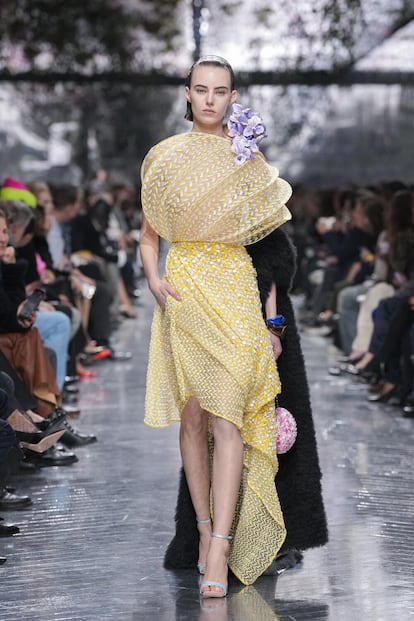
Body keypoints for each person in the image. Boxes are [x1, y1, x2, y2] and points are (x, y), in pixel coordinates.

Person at [139, 55, 292, 596]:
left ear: (233, 97)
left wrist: (272, 321)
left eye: (219, 90)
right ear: (187, 93)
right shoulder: (163, 156)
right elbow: (149, 235)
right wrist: (153, 280)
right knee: (193, 419)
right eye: (200, 89)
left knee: (228, 419)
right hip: (184, 292)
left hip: (234, 289)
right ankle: (204, 532)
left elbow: (270, 252)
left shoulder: (247, 158)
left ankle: (221, 547)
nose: (209, 99)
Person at [164, 227, 328, 574]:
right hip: (217, 316)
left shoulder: (247, 208)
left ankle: (254, 542)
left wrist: (273, 325)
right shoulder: (217, 209)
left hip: (255, 322)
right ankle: (223, 540)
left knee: (255, 430)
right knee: (223, 428)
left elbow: (271, 263)